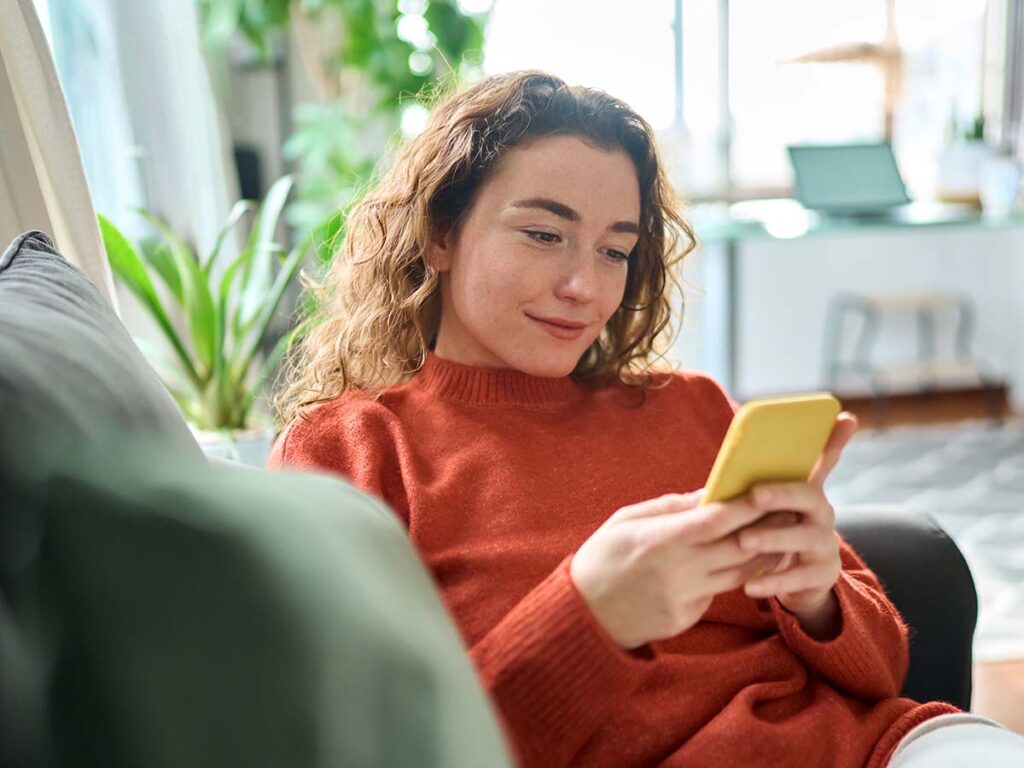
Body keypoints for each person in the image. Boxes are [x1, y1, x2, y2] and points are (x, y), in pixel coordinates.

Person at [267, 70, 1024, 767]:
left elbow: (885, 669)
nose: (581, 286)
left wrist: (819, 595)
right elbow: (384, 750)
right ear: (440, 233)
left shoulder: (688, 404)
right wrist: (589, 618)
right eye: (543, 234)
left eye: (614, 250)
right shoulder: (352, 451)